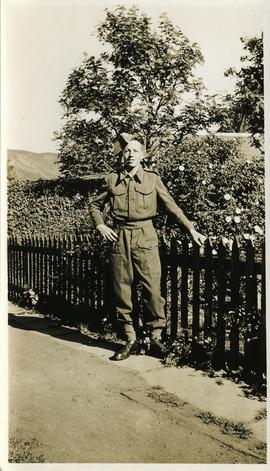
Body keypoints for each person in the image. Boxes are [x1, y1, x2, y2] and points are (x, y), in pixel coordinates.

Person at [90, 133, 206, 360]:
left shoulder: (152, 179)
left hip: (146, 235)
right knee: (122, 290)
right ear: (121, 155)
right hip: (120, 235)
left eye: (135, 151)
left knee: (153, 289)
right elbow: (94, 205)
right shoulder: (112, 178)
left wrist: (191, 229)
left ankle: (155, 339)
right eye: (127, 151)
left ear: (143, 155)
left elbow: (171, 206)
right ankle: (130, 338)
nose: (130, 154)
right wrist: (101, 226)